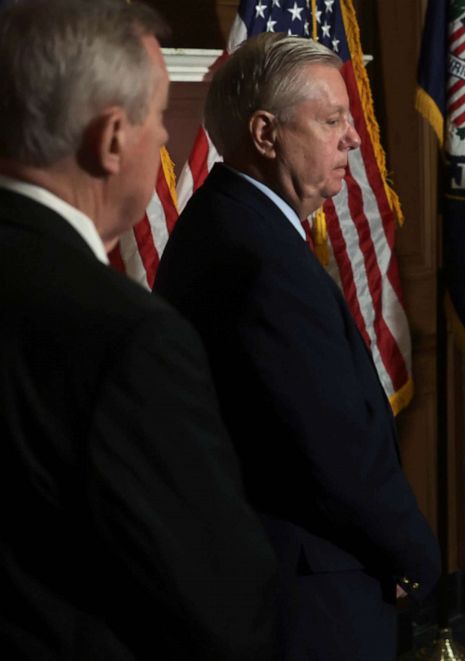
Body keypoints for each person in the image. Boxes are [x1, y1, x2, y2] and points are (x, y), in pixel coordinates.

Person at [0, 1, 279, 658]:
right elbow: (225, 605)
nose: (164, 138)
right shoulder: (126, 336)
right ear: (112, 138)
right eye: (159, 117)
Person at [153, 32, 441, 659]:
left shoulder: (232, 224)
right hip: (308, 594)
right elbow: (333, 444)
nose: (353, 138)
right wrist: (417, 555)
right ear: (265, 133)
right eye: (332, 119)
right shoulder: (258, 257)